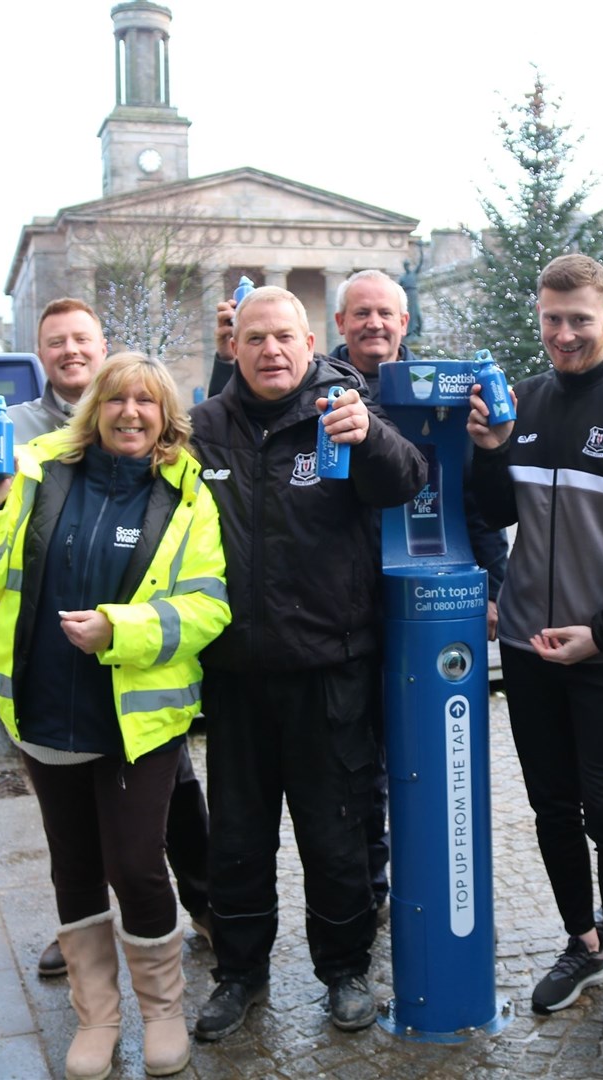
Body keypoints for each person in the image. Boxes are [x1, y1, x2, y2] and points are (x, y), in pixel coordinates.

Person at [0, 298, 214, 981]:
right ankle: (84, 936)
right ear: (40, 353)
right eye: (56, 342)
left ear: (104, 347)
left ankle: (205, 910)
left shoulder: (169, 459)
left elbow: (203, 588)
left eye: (82, 339)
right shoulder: (22, 435)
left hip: (141, 682)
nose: (71, 351)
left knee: (164, 820)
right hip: (54, 674)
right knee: (74, 838)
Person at [0, 353, 228, 1080]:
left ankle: (162, 1009)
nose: (131, 413)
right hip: (44, 705)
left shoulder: (186, 497)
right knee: (73, 865)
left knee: (136, 864)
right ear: (93, 408)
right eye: (116, 400)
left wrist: (119, 632)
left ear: (166, 418)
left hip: (139, 717)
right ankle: (96, 1015)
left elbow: (207, 607)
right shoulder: (35, 472)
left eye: (147, 403)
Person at [189, 287, 427, 1040]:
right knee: (237, 838)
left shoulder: (344, 406)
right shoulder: (202, 429)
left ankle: (344, 970)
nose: (271, 351)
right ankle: (239, 974)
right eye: (255, 338)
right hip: (237, 677)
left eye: (285, 337)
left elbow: (407, 481)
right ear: (235, 346)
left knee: (336, 834)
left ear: (310, 340)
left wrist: (374, 440)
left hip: (330, 670)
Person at [467, 254, 603, 1069]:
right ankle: (582, 940)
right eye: (552, 320)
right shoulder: (524, 401)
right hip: (525, 645)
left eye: (579, 320)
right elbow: (493, 513)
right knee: (552, 807)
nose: (563, 335)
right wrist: (489, 450)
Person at [331, 268, 510, 913]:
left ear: (405, 323)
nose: (374, 324)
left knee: (433, 741)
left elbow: (472, 498)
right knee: (359, 758)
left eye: (386, 313)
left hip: (430, 595)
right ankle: (375, 886)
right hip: (348, 601)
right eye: (361, 314)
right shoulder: (319, 388)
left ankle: (440, 876)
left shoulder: (443, 393)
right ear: (341, 324)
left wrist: (493, 586)